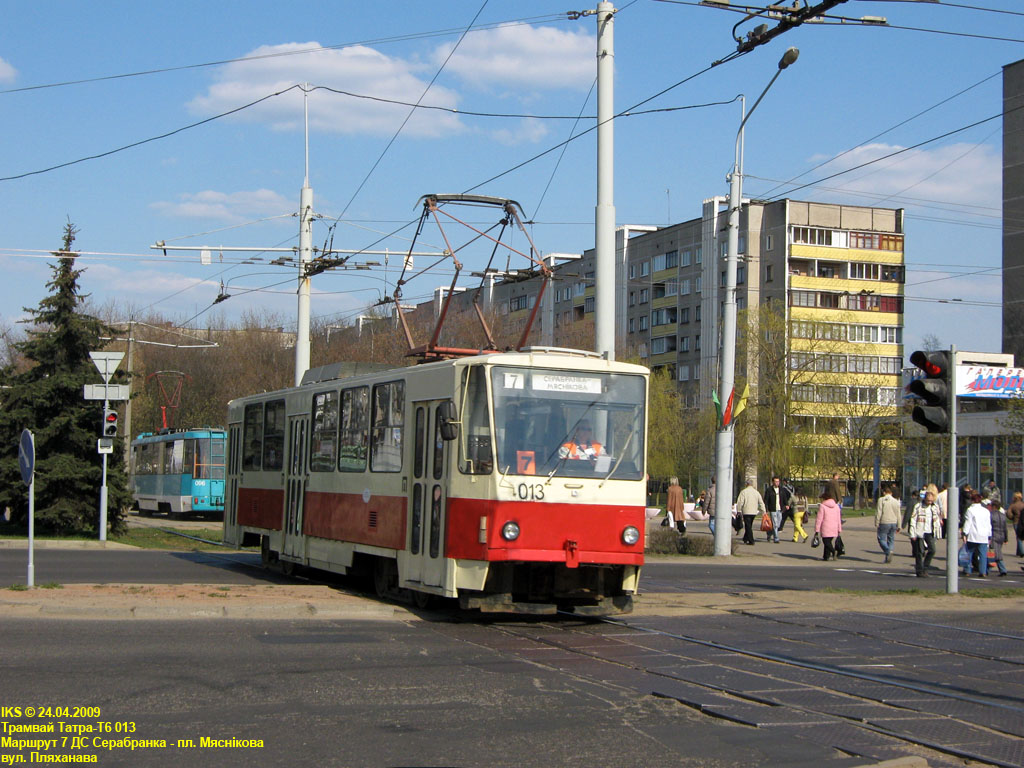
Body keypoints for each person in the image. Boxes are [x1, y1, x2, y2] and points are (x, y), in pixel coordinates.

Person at [908, 489, 941, 577]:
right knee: (920, 552)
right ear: (925, 499)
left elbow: (937, 520)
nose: (929, 502)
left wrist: (938, 532)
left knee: (932, 550)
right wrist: (912, 533)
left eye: (931, 501)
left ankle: (925, 568)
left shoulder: (935, 507)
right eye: (928, 500)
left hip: (930, 531)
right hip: (920, 532)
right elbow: (913, 520)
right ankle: (919, 570)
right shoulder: (918, 506)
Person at [962, 493, 992, 577]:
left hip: (973, 535)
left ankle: (967, 570)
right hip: (984, 535)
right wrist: (989, 535)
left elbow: (968, 522)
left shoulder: (970, 510)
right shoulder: (986, 511)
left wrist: (964, 533)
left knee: (969, 553)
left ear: (972, 500)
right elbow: (988, 524)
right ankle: (983, 571)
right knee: (983, 555)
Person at [875, 484, 901, 564]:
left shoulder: (881, 500)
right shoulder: (896, 501)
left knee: (881, 539)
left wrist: (877, 522)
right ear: (891, 493)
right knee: (891, 539)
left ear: (884, 492)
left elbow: (879, 512)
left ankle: (887, 551)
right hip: (893, 522)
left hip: (884, 521)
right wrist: (899, 525)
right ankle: (889, 554)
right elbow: (898, 514)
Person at [736, 478, 766, 546]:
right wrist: (763, 511)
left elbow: (740, 502)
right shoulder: (756, 492)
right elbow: (761, 502)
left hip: (746, 511)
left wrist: (739, 510)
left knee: (748, 526)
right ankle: (745, 538)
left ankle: (751, 540)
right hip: (754, 511)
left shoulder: (744, 492)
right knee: (749, 525)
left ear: (746, 484)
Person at [815, 491, 843, 561]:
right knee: (828, 542)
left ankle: (833, 552)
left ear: (824, 498)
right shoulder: (836, 506)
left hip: (826, 527)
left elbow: (819, 519)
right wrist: (839, 529)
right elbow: (838, 518)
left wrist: (817, 530)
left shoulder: (822, 506)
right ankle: (826, 556)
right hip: (834, 527)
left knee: (826, 542)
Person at [763, 475, 791, 543]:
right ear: (773, 482)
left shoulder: (781, 489)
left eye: (778, 481)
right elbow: (766, 500)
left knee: (778, 524)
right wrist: (766, 509)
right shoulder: (769, 490)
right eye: (775, 481)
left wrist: (786, 504)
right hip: (773, 509)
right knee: (775, 524)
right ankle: (776, 538)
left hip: (780, 509)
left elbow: (784, 498)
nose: (777, 483)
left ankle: (769, 532)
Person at [989, 495, 1009, 577]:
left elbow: (989, 526)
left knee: (994, 553)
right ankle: (986, 569)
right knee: (996, 552)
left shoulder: (991, 515)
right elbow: (1005, 528)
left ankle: (1002, 569)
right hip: (1002, 536)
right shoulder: (1003, 515)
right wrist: (1006, 538)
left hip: (994, 535)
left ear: (994, 506)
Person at [1007, 491, 1024, 558]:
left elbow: (1008, 514)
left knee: (1019, 537)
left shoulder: (1013, 505)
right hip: (1023, 522)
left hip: (1016, 522)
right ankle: (1018, 552)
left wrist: (1013, 517)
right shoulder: (1023, 504)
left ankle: (1021, 552)